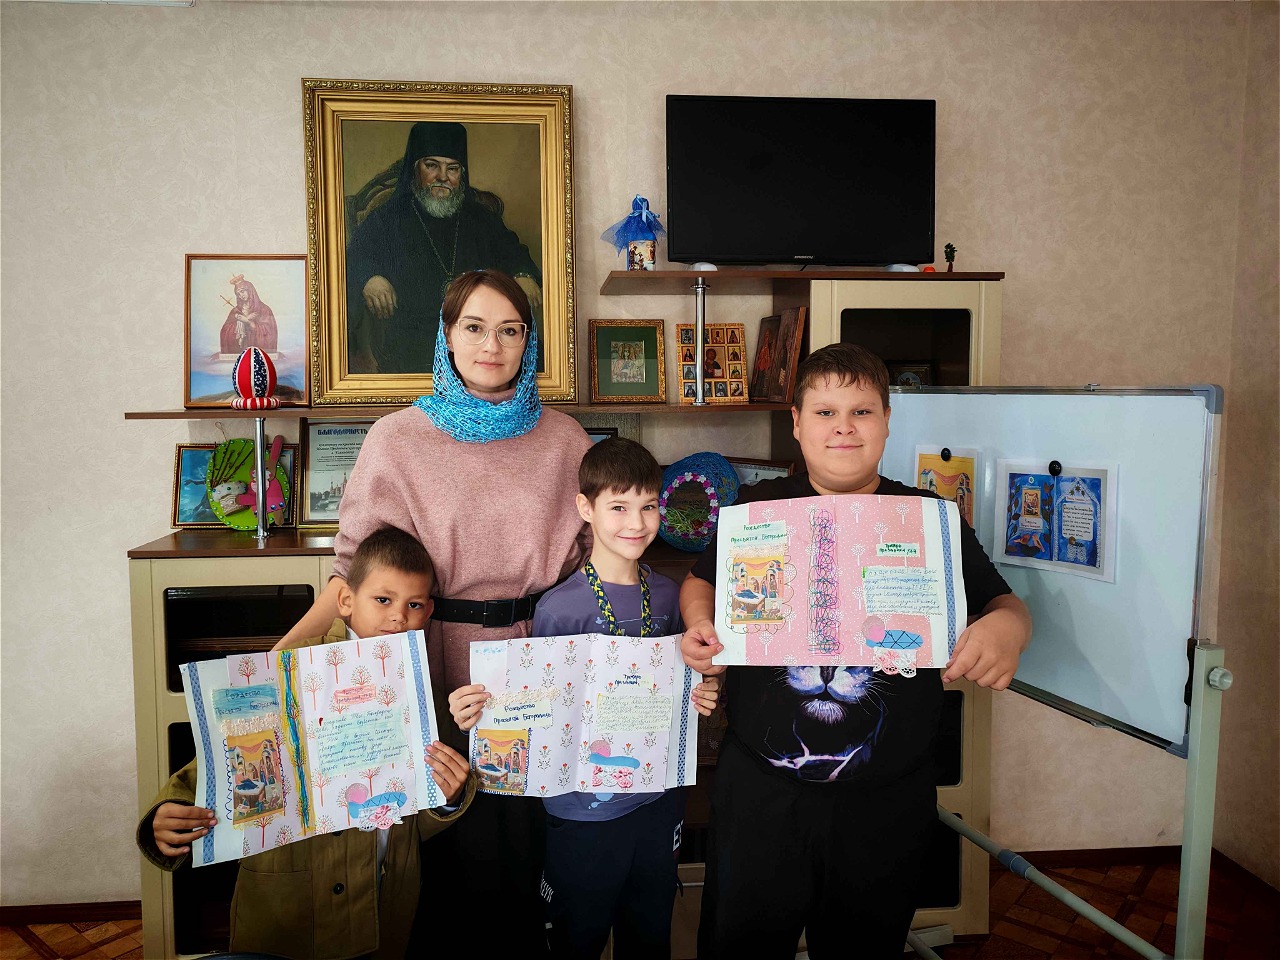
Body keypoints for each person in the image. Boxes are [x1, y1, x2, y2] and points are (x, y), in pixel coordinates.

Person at [274, 269, 592, 957]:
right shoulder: (397, 439)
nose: (491, 345)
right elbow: (352, 574)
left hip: (536, 657)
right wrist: (278, 663)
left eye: (510, 330)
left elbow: (597, 565)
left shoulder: (567, 440)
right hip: (423, 654)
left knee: (526, 848)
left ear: (530, 342)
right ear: (446, 336)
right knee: (439, 845)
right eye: (474, 327)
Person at [680, 343, 1032, 959]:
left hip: (887, 796)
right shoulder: (756, 509)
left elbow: (1005, 603)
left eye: (862, 411)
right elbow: (698, 581)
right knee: (740, 943)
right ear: (797, 423)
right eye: (825, 412)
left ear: (887, 421)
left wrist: (1009, 628)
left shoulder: (930, 518)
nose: (843, 427)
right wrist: (700, 623)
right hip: (762, 789)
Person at [138, 526, 476, 960]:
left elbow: (420, 810)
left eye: (413, 605)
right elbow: (224, 761)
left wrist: (447, 799)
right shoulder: (286, 672)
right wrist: (166, 813)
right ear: (346, 600)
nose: (398, 617)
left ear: (428, 611)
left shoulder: (421, 689)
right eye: (383, 599)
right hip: (287, 903)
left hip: (384, 897)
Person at [449, 438, 720, 959]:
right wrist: (482, 714)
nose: (636, 523)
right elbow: (538, 704)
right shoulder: (560, 608)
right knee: (577, 936)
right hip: (582, 813)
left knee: (650, 933)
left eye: (648, 506)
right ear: (585, 508)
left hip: (658, 801)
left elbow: (690, 675)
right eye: (618, 507)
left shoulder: (670, 596)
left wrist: (702, 690)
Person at [345, 122, 543, 374]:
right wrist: (369, 278)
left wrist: (523, 274)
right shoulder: (388, 217)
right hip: (414, 341)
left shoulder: (480, 218)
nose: (442, 177)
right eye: (432, 166)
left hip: (480, 338)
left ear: (462, 174)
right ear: (415, 169)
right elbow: (354, 256)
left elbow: (513, 251)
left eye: (452, 168)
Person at [218, 274, 278, 354]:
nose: (241, 296)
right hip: (240, 352)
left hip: (257, 353)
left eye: (242, 291)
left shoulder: (264, 309)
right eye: (238, 294)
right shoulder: (235, 311)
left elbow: (270, 332)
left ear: (250, 290)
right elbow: (224, 332)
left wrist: (248, 322)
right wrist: (239, 323)